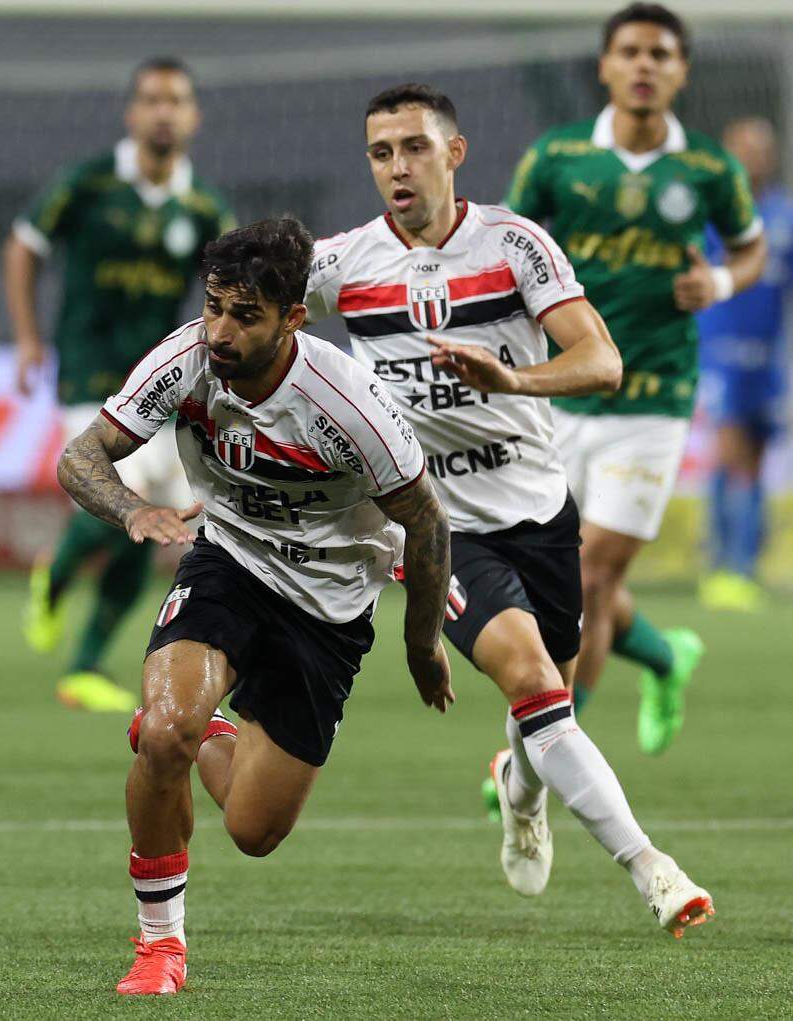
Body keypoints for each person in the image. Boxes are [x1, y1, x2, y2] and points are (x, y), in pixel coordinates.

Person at [305, 83, 713, 937]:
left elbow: (602, 362)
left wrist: (513, 378)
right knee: (534, 681)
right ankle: (654, 869)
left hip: (540, 508)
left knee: (545, 704)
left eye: (414, 147)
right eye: (381, 153)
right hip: (438, 528)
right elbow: (250, 329)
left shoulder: (516, 246)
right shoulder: (341, 265)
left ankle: (520, 790)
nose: (397, 167)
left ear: (455, 153)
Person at [57, 218, 454, 995]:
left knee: (253, 829)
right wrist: (132, 508)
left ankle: (197, 727)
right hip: (229, 562)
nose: (221, 330)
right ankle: (159, 946)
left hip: (330, 607)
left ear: (293, 318)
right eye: (213, 306)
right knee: (166, 736)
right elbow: (82, 455)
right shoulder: (186, 360)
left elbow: (427, 520)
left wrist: (422, 642)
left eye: (245, 315)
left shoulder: (348, 405)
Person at [505, 2, 767, 755]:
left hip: (654, 393)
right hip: (562, 390)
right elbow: (506, 250)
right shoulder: (556, 158)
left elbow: (749, 252)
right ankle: (663, 653)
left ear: (681, 70)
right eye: (631, 52)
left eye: (661, 53)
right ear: (606, 66)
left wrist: (718, 282)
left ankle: (546, 749)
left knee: (591, 575)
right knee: (558, 576)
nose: (645, 65)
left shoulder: (709, 169)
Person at [6, 57, 236, 712]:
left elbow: (238, 286)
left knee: (156, 515)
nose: (164, 111)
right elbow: (23, 245)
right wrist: (27, 339)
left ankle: (82, 661)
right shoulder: (89, 184)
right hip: (86, 371)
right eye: (153, 100)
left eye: (177, 101)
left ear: (192, 117)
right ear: (132, 114)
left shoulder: (203, 205)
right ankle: (58, 584)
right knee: (135, 496)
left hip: (158, 383)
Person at [696, 117, 792, 611]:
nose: (753, 157)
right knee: (731, 453)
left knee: (754, 458)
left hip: (768, 360)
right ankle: (727, 566)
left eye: (761, 148)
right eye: (744, 148)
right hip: (719, 353)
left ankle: (741, 564)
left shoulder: (783, 214)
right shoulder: (711, 214)